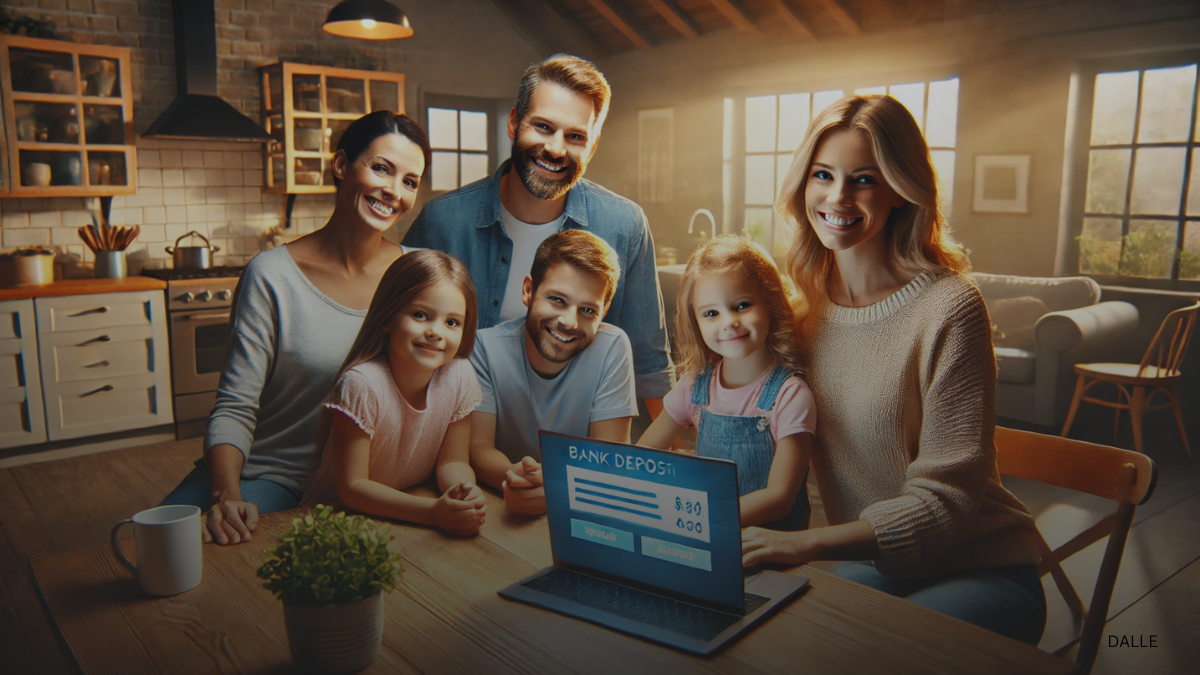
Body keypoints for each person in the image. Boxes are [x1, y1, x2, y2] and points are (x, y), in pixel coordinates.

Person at [740, 94, 1046, 644]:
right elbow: (738, 424)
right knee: (785, 642)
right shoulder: (800, 317)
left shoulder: (950, 308)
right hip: (876, 561)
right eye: (822, 175)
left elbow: (947, 503)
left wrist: (803, 544)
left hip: (982, 564)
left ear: (901, 191)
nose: (838, 196)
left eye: (864, 178)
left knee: (874, 651)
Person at [160, 111, 433, 546]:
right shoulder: (271, 275)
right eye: (381, 168)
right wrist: (227, 493)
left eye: (410, 181)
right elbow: (234, 404)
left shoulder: (417, 276)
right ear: (342, 165)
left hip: (357, 482)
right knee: (151, 542)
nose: (393, 191)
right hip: (269, 471)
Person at [402, 54, 673, 421]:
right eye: (543, 127)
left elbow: (649, 363)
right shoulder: (442, 221)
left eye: (576, 136)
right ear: (514, 123)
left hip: (580, 451)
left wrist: (670, 455)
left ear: (591, 146)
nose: (557, 149)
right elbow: (399, 341)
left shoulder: (625, 225)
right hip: (458, 444)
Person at [299, 251, 485, 534]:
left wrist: (463, 491)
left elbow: (454, 461)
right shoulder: (361, 384)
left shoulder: (459, 375)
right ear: (387, 318)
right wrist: (433, 512)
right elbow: (353, 488)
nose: (437, 331)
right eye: (420, 315)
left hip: (401, 514)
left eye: (452, 322)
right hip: (332, 523)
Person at [638, 236, 814, 530]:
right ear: (696, 322)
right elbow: (643, 458)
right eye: (711, 313)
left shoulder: (790, 395)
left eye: (742, 305)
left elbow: (780, 498)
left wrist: (701, 517)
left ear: (770, 303)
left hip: (772, 548)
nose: (728, 321)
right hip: (705, 538)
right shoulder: (693, 385)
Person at [469, 229, 637, 516]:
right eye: (557, 299)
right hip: (503, 502)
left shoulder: (613, 347)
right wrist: (515, 478)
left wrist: (559, 488)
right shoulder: (483, 347)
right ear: (528, 290)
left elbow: (610, 458)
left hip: (585, 507)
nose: (569, 321)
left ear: (604, 310)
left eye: (587, 310)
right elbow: (477, 447)